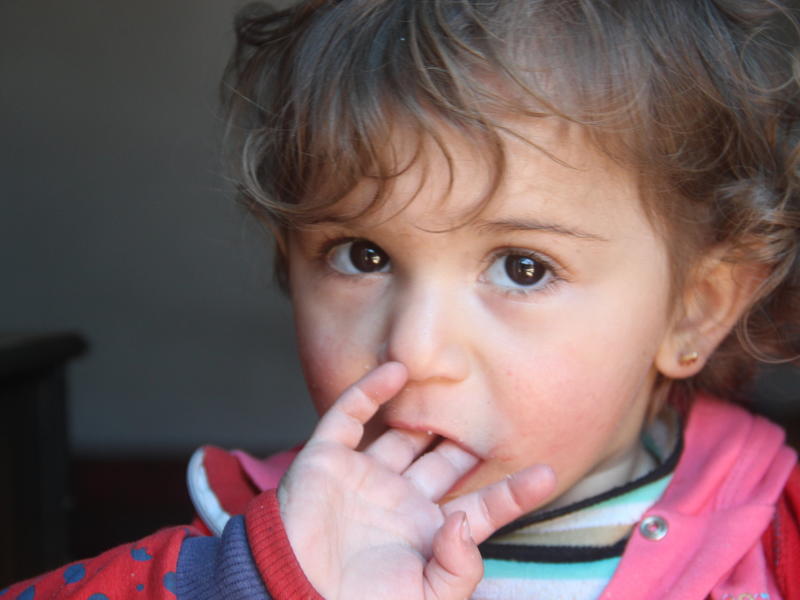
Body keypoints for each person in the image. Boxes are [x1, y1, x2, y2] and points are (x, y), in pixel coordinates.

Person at [5, 0, 800, 598]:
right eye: (364, 254)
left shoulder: (773, 546)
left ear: (696, 308)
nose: (413, 348)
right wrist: (245, 582)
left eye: (523, 267)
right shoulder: (253, 548)